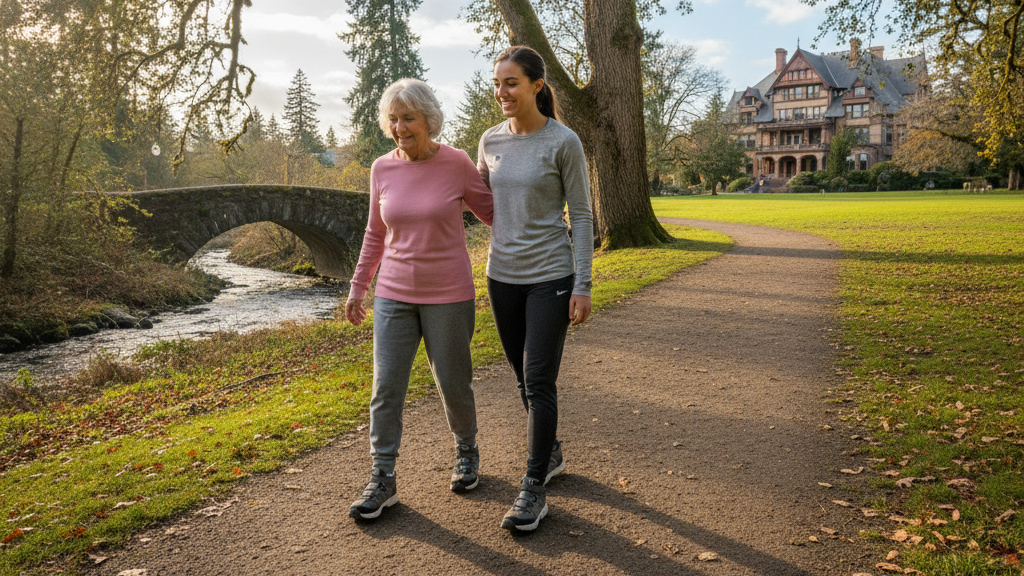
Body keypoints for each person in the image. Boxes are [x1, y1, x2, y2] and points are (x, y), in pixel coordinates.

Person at [345, 78, 494, 520]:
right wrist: (358, 287)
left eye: (408, 117)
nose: (399, 127)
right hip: (393, 293)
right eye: (393, 118)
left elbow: (495, 214)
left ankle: (467, 452)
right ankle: (382, 478)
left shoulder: (457, 163)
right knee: (386, 386)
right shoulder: (381, 168)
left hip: (448, 294)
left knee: (453, 383)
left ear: (429, 119)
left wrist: (544, 229)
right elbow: (375, 233)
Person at [478, 46, 593, 532]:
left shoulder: (563, 141)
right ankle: (551, 451)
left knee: (539, 379)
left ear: (536, 86)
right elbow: (475, 198)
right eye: (498, 83)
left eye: (511, 83)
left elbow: (582, 215)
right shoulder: (488, 141)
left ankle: (533, 488)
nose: (502, 92)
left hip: (550, 275)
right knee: (523, 379)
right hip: (500, 276)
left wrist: (583, 283)